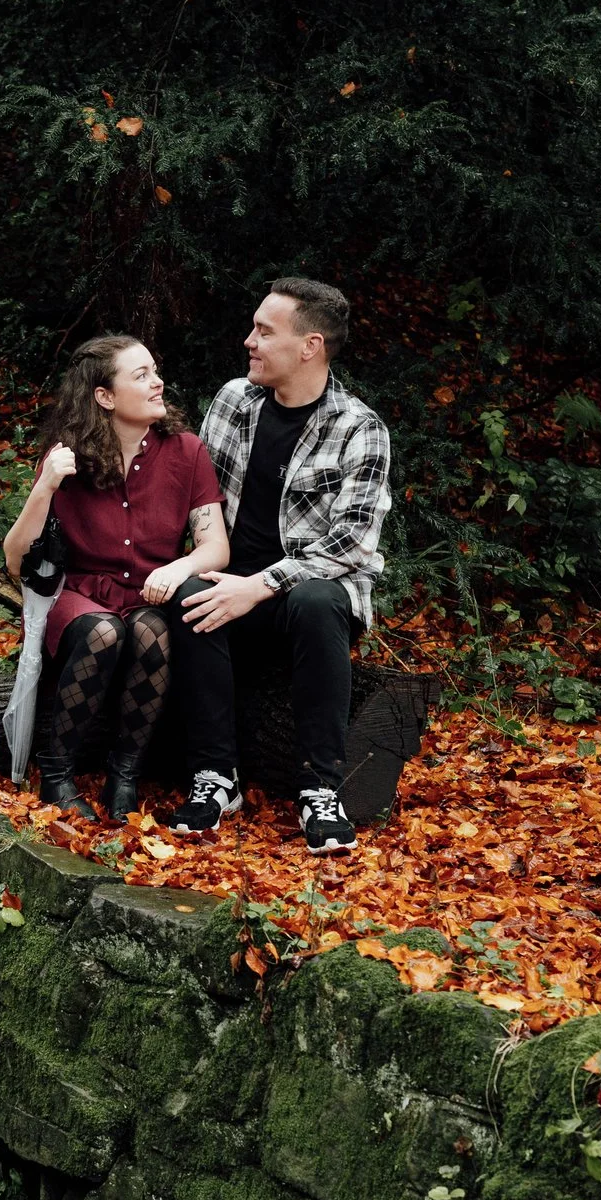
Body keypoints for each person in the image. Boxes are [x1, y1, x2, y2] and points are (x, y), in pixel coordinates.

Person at [168, 278, 392, 854]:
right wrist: (205, 568)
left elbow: (351, 544)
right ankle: (216, 778)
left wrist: (260, 585)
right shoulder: (233, 401)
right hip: (228, 583)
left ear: (309, 346)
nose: (250, 342)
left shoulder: (359, 429)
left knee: (319, 599)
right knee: (193, 592)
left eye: (265, 332)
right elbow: (198, 503)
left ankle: (320, 789)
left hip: (303, 600)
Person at [0, 335, 227, 821]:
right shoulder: (68, 457)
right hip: (78, 595)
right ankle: (56, 774)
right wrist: (45, 486)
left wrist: (179, 566)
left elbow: (216, 547)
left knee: (151, 632)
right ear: (104, 396)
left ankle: (124, 774)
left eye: (155, 369)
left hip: (146, 593)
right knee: (105, 632)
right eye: (140, 374)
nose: (157, 381)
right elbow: (16, 560)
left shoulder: (186, 452)